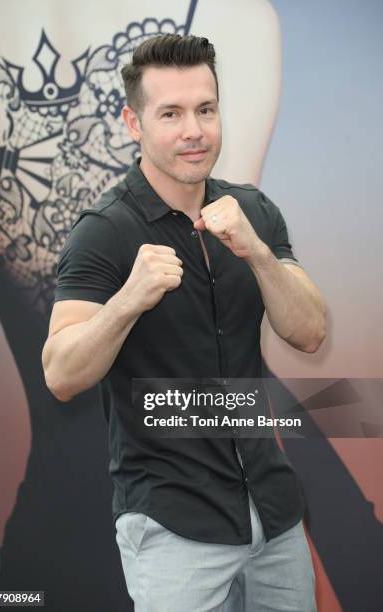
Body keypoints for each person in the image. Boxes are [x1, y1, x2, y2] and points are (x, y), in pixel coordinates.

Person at [42, 34, 326, 611]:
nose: (193, 130)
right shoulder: (105, 231)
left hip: (273, 515)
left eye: (205, 109)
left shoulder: (254, 212)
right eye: (170, 113)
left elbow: (309, 331)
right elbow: (61, 373)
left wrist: (257, 253)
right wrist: (128, 300)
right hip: (173, 526)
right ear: (133, 122)